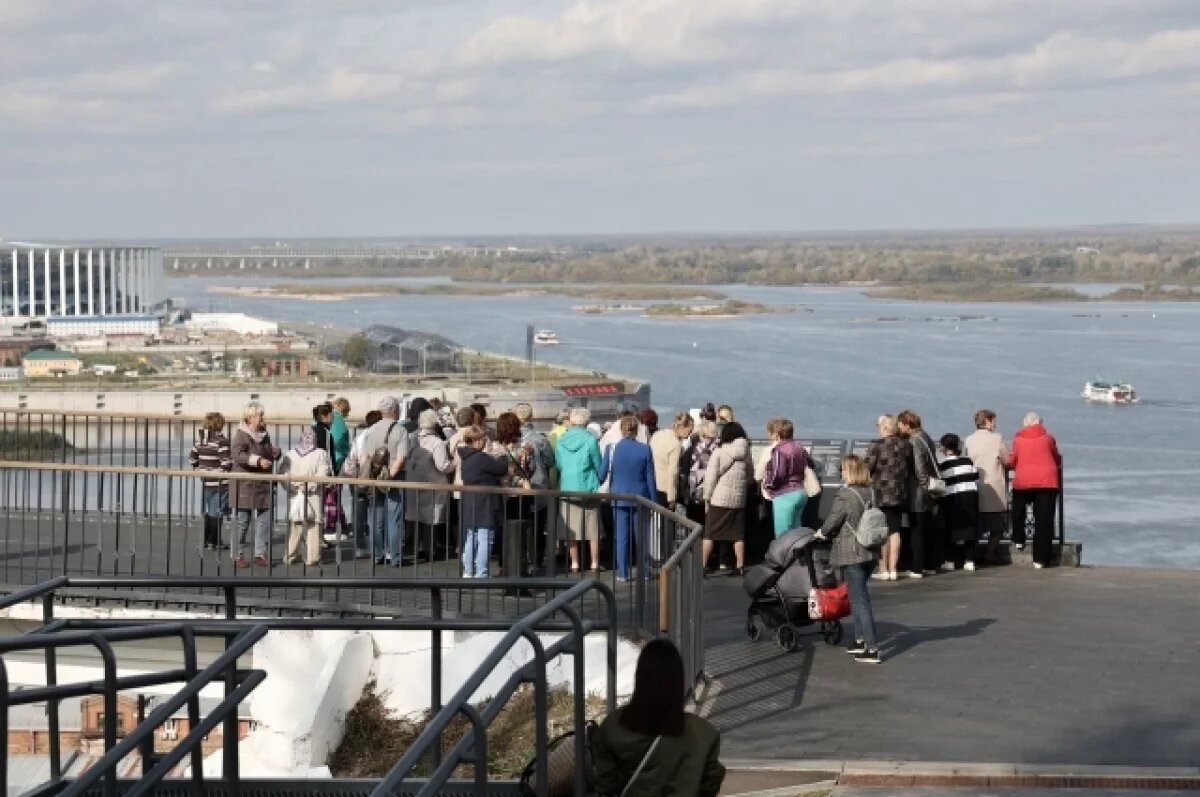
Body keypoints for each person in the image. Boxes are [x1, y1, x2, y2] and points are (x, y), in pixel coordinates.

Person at [591, 638, 725, 797]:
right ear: (678, 682)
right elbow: (711, 782)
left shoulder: (613, 726)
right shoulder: (704, 734)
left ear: (640, 678)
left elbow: (606, 782)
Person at [814, 455, 882, 664]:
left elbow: (833, 521)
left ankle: (871, 648)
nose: (840, 472)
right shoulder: (871, 491)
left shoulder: (845, 494)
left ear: (849, 471)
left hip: (852, 552)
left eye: (842, 469)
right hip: (870, 550)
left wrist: (821, 533)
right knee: (855, 596)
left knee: (860, 600)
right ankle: (860, 640)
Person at [599, 415, 657, 582]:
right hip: (640, 496)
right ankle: (645, 570)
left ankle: (622, 573)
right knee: (642, 536)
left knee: (621, 537)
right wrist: (654, 500)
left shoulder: (611, 448)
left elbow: (602, 474)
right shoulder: (645, 449)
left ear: (621, 430)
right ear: (637, 430)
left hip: (619, 496)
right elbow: (650, 477)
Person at [230, 401, 281, 568]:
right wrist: (258, 460)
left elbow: (266, 451)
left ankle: (260, 553)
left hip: (262, 483)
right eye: (261, 415)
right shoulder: (241, 434)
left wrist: (274, 452)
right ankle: (237, 554)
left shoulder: (264, 434)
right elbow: (237, 454)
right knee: (242, 520)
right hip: (245, 483)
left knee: (264, 519)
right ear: (251, 418)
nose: (263, 418)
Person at [360, 397, 410, 566]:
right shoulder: (400, 430)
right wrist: (389, 476)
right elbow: (402, 457)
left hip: (374, 477)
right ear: (395, 411)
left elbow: (365, 457)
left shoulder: (371, 430)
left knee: (375, 517)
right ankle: (395, 556)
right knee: (394, 518)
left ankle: (377, 554)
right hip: (394, 478)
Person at [1009, 411, 1062, 569]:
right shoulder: (1048, 438)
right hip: (1047, 482)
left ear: (1025, 423)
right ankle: (1040, 559)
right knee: (1044, 520)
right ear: (1040, 423)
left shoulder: (1018, 439)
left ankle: (1018, 538)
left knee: (1017, 510)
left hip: (1023, 481)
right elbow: (1056, 457)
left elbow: (1013, 460)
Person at [555, 407, 604, 573]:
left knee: (572, 529)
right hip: (588, 486)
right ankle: (595, 563)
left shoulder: (561, 440)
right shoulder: (590, 440)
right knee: (593, 529)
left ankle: (574, 563)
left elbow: (559, 464)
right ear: (586, 422)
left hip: (567, 487)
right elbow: (598, 464)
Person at [701, 421, 752, 576]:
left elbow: (710, 478)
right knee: (738, 535)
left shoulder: (719, 452)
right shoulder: (746, 453)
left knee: (710, 533)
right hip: (738, 500)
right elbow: (750, 476)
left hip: (719, 499)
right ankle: (740, 566)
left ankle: (702, 565)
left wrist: (706, 497)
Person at [457, 427, 509, 578]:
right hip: (485, 501)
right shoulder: (481, 458)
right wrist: (502, 457)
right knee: (485, 537)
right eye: (483, 440)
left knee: (471, 536)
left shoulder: (465, 457)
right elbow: (501, 469)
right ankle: (481, 572)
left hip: (469, 501)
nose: (485, 443)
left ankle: (468, 570)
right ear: (476, 441)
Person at [404, 409, 455, 561]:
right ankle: (430, 549)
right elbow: (443, 466)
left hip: (414, 482)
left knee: (417, 518)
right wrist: (455, 463)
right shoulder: (437, 443)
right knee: (431, 519)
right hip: (433, 484)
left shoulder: (412, 438)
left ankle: (417, 547)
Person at [864, 415, 910, 581]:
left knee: (883, 531)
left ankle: (883, 569)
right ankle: (894, 569)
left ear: (883, 427)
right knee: (895, 531)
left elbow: (867, 468)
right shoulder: (905, 445)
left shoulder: (876, 445)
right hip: (900, 493)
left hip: (882, 493)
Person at [278, 426, 332, 567]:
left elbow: (282, 474)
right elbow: (323, 474)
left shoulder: (290, 454)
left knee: (294, 525)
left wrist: (293, 487)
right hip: (313, 496)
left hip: (294, 495)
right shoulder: (321, 454)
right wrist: (309, 486)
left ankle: (290, 555)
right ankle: (312, 558)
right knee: (313, 526)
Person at [965, 409, 1011, 564]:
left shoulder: (969, 440)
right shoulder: (998, 439)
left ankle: (973, 555)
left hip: (975, 485)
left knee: (976, 524)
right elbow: (1007, 460)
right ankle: (990, 553)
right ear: (988, 421)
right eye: (993, 421)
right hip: (994, 487)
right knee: (998, 526)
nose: (995, 424)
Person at [897, 409, 940, 577]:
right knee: (926, 529)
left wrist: (924, 484)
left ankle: (917, 567)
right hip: (929, 493)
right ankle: (930, 563)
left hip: (918, 492)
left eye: (901, 425)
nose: (899, 429)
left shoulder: (914, 441)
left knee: (916, 530)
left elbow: (920, 468)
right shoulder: (926, 437)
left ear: (908, 425)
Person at [495, 411, 535, 590]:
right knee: (522, 529)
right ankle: (522, 565)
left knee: (503, 529)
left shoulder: (494, 448)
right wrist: (527, 458)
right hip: (520, 493)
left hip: (502, 493)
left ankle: (504, 565)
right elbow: (530, 471)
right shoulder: (524, 446)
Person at [515, 403, 555, 569]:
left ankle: (519, 558)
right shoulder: (540, 438)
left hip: (518, 486)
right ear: (531, 417)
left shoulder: (513, 439)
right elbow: (550, 461)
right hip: (539, 485)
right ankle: (537, 560)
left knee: (519, 524)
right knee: (538, 526)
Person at [762, 418, 813, 537]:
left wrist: (768, 485)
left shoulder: (779, 450)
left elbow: (778, 473)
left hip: (785, 494)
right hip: (800, 491)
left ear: (776, 434)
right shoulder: (799, 446)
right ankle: (797, 555)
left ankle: (784, 556)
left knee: (782, 536)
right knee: (796, 534)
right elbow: (811, 463)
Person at [937, 434, 981, 571]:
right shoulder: (968, 461)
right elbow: (976, 476)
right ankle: (970, 560)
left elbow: (941, 483)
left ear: (944, 448)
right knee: (970, 529)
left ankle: (950, 560)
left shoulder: (943, 466)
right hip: (970, 495)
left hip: (952, 498)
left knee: (951, 528)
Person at [189, 412, 232, 551]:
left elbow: (192, 458)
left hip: (206, 480)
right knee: (217, 511)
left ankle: (206, 539)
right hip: (220, 481)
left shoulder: (200, 440)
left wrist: (199, 469)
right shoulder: (222, 441)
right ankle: (214, 541)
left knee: (209, 510)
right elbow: (226, 462)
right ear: (220, 425)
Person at [349, 409, 382, 559]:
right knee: (375, 513)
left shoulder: (360, 436)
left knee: (359, 513)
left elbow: (353, 456)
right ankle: (376, 546)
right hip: (372, 478)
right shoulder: (377, 437)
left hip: (358, 478)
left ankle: (359, 545)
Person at [650, 412, 692, 509]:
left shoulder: (657, 435)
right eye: (689, 431)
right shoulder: (675, 444)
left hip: (653, 484)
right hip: (666, 489)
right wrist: (672, 498)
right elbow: (673, 472)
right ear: (682, 427)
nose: (688, 435)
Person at [684, 420, 719, 527]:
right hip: (715, 497)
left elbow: (684, 472)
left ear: (702, 434)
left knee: (694, 529)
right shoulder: (720, 448)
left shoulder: (692, 450)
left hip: (696, 496)